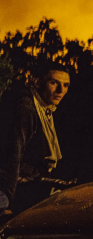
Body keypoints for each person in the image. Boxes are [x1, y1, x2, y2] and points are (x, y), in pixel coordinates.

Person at [0, 60, 70, 214]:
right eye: (54, 83)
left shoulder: (45, 110)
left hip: (28, 187)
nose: (61, 90)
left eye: (65, 85)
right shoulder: (26, 109)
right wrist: (7, 201)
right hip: (19, 191)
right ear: (37, 82)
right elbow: (13, 154)